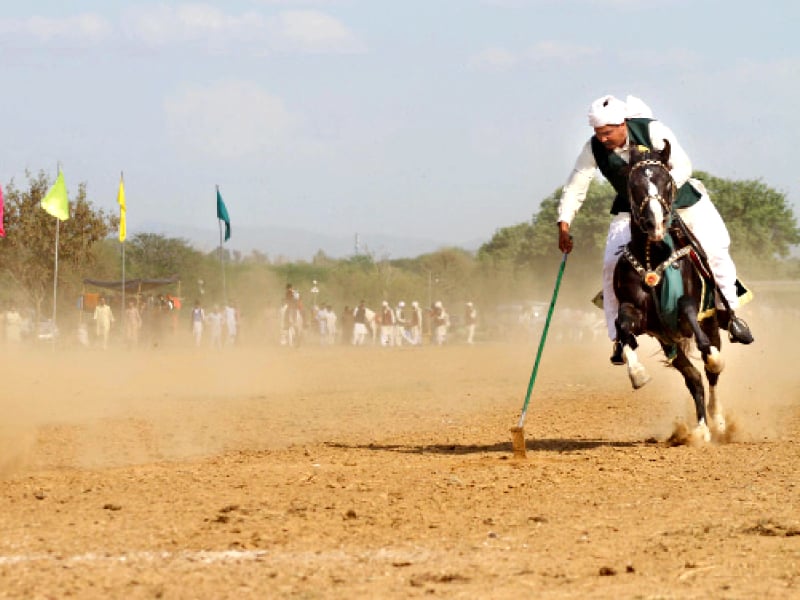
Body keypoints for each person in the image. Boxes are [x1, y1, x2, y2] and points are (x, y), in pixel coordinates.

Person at [557, 94, 754, 365]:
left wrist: (658, 195)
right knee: (610, 265)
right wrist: (564, 223)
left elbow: (683, 165)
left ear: (623, 123)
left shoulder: (651, 129)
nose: (602, 138)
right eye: (597, 133)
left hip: (683, 202)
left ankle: (729, 316)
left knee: (715, 251)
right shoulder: (593, 148)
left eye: (607, 132)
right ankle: (619, 338)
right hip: (633, 212)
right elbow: (577, 183)